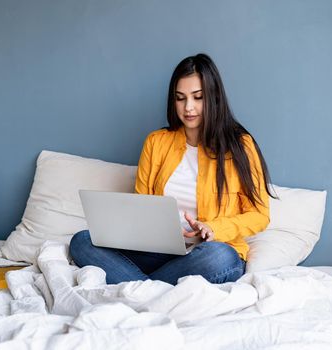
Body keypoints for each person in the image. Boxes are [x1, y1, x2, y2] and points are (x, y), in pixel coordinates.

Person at [69, 53, 274, 285]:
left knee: (218, 258)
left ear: (214, 97)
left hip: (210, 251)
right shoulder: (156, 142)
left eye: (198, 97)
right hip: (159, 253)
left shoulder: (241, 146)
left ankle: (136, 288)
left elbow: (260, 215)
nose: (188, 108)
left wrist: (213, 229)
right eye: (180, 98)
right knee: (82, 241)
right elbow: (142, 206)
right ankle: (151, 291)